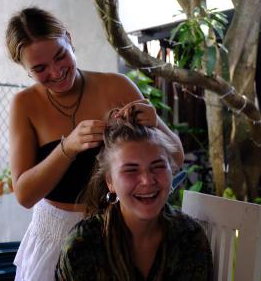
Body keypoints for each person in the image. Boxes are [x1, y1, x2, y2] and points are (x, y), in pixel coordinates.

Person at [5, 6, 184, 281]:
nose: (55, 72)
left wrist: (154, 121)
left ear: (69, 38)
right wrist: (67, 148)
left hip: (117, 233)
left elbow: (175, 157)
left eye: (60, 56)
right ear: (25, 68)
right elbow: (24, 195)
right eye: (39, 68)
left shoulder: (118, 86)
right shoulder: (24, 105)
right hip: (54, 237)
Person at [55, 110, 213, 281]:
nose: (147, 180)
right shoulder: (83, 245)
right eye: (131, 170)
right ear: (110, 182)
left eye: (158, 166)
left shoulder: (189, 238)